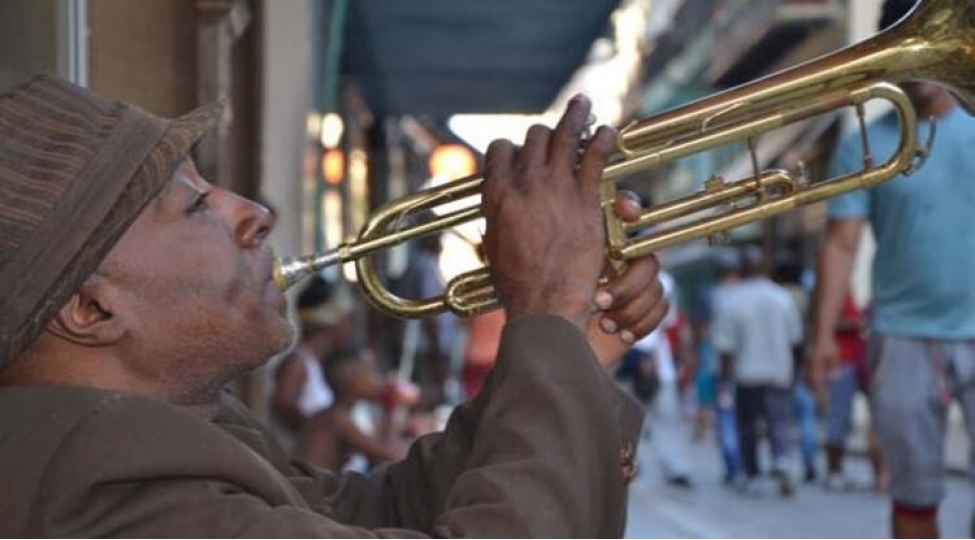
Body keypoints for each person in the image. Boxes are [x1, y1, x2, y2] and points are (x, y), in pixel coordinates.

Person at [0, 76, 669, 536]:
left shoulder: (171, 429)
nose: (255, 214)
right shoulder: (97, 478)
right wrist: (546, 302)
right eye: (196, 205)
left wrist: (567, 350)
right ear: (90, 308)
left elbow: (376, 514)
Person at [810, 1, 975, 535]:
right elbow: (840, 245)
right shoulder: (864, 138)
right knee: (912, 500)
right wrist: (822, 337)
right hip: (900, 335)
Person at [714, 246, 802, 497]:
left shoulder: (733, 300)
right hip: (779, 370)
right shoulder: (781, 297)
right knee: (779, 420)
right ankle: (782, 459)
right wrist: (794, 371)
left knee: (748, 426)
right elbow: (795, 339)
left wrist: (723, 380)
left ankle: (752, 474)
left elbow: (726, 348)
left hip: (747, 373)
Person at [270, 274, 353, 449]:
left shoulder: (314, 362)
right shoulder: (296, 364)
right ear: (332, 321)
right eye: (347, 318)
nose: (350, 325)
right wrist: (320, 432)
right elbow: (282, 404)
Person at [294, 346, 407, 471]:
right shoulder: (337, 419)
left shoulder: (334, 415)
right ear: (351, 379)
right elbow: (388, 455)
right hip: (307, 489)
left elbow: (382, 449)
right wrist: (391, 405)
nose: (379, 379)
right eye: (371, 372)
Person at [821, 295, 887, 492]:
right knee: (839, 417)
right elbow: (823, 323)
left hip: (864, 359)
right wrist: (856, 324)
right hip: (843, 361)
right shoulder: (834, 295)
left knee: (879, 418)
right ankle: (835, 471)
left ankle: (880, 476)